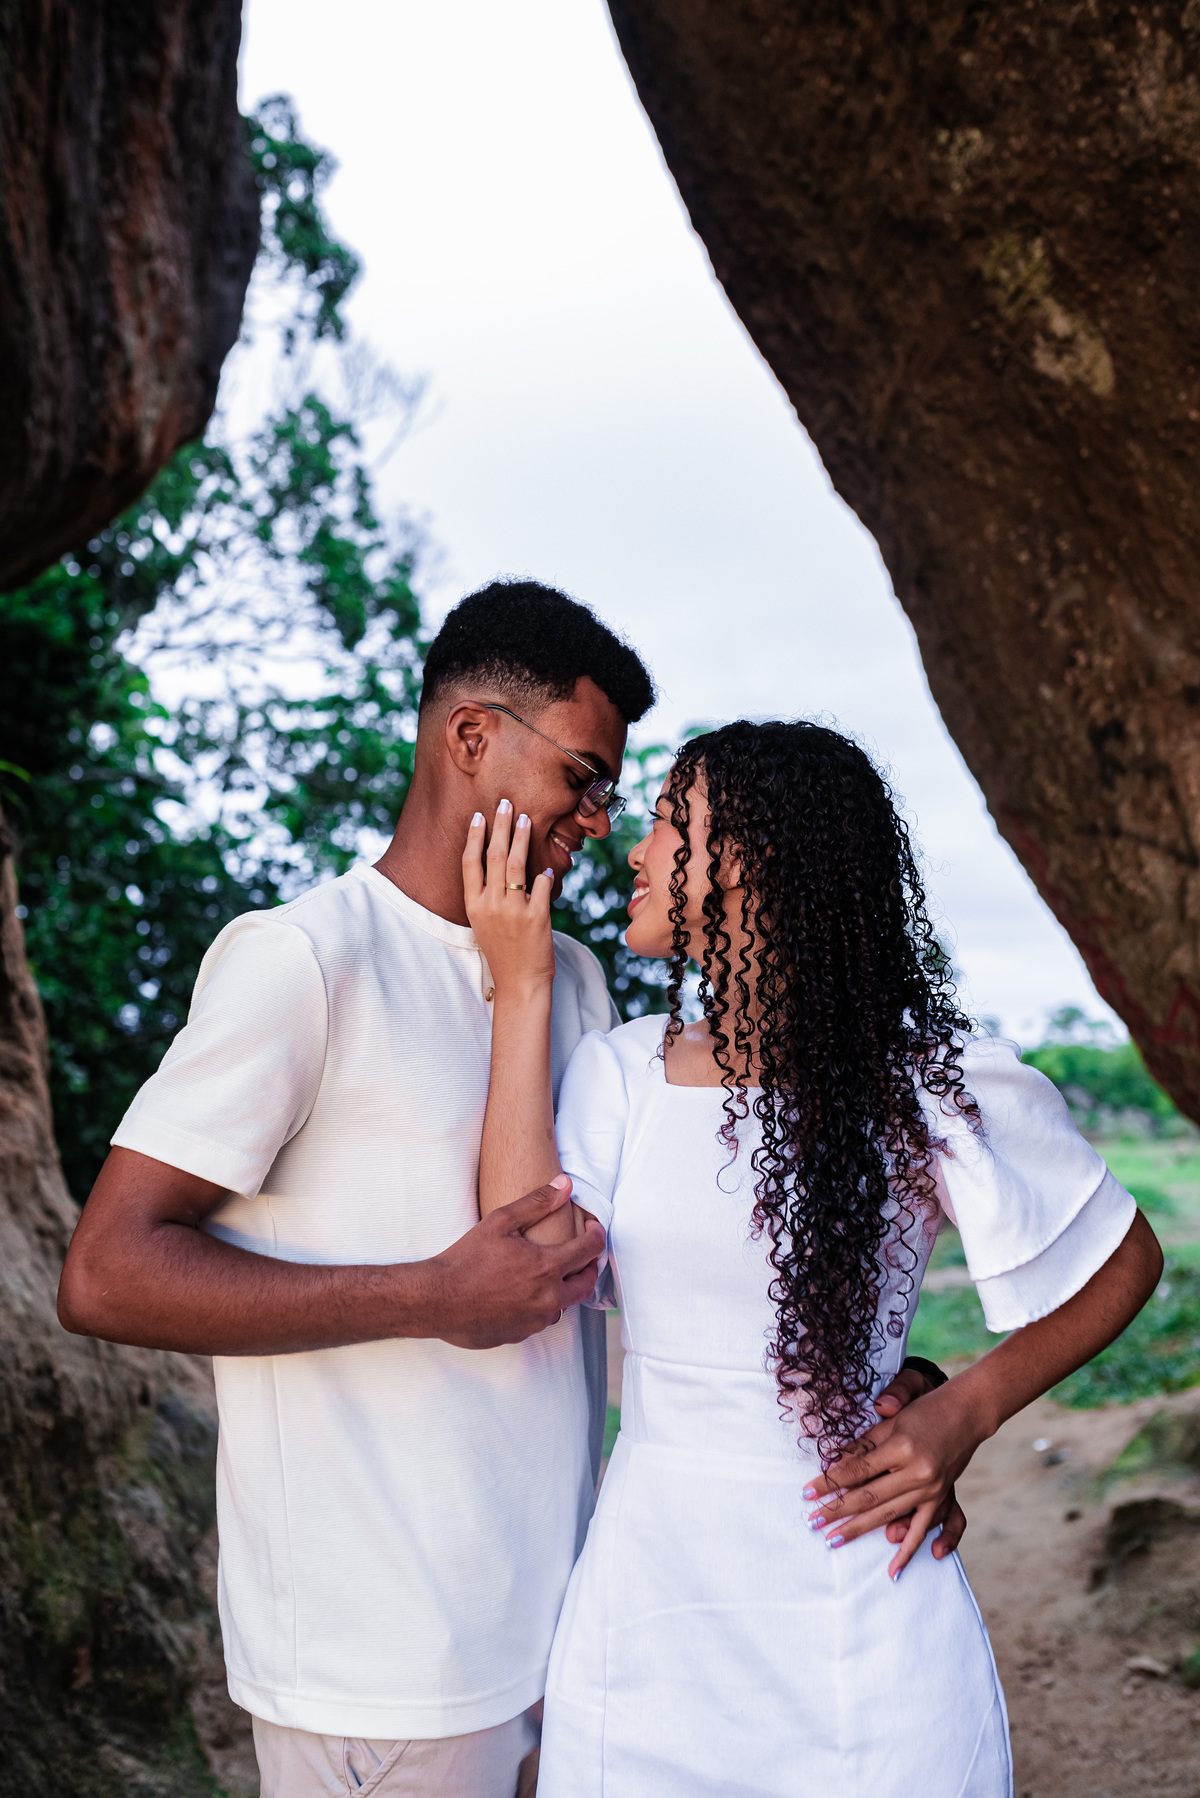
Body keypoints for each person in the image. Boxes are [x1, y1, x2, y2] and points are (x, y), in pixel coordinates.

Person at [57, 588, 948, 1798]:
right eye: (582, 776)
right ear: (472, 737)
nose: (602, 820)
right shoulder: (306, 959)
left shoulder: (573, 981)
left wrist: (895, 1386)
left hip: (570, 1630)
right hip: (380, 1661)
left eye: (614, 792)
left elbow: (653, 1254)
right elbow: (106, 1271)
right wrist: (429, 1294)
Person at [463, 717, 1163, 1798]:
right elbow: (529, 1257)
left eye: (666, 821)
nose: (635, 849)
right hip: (653, 1611)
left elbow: (1125, 1259)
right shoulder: (624, 1072)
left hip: (864, 1609)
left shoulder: (925, 1083)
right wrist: (521, 989)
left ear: (749, 858)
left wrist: (961, 1413)